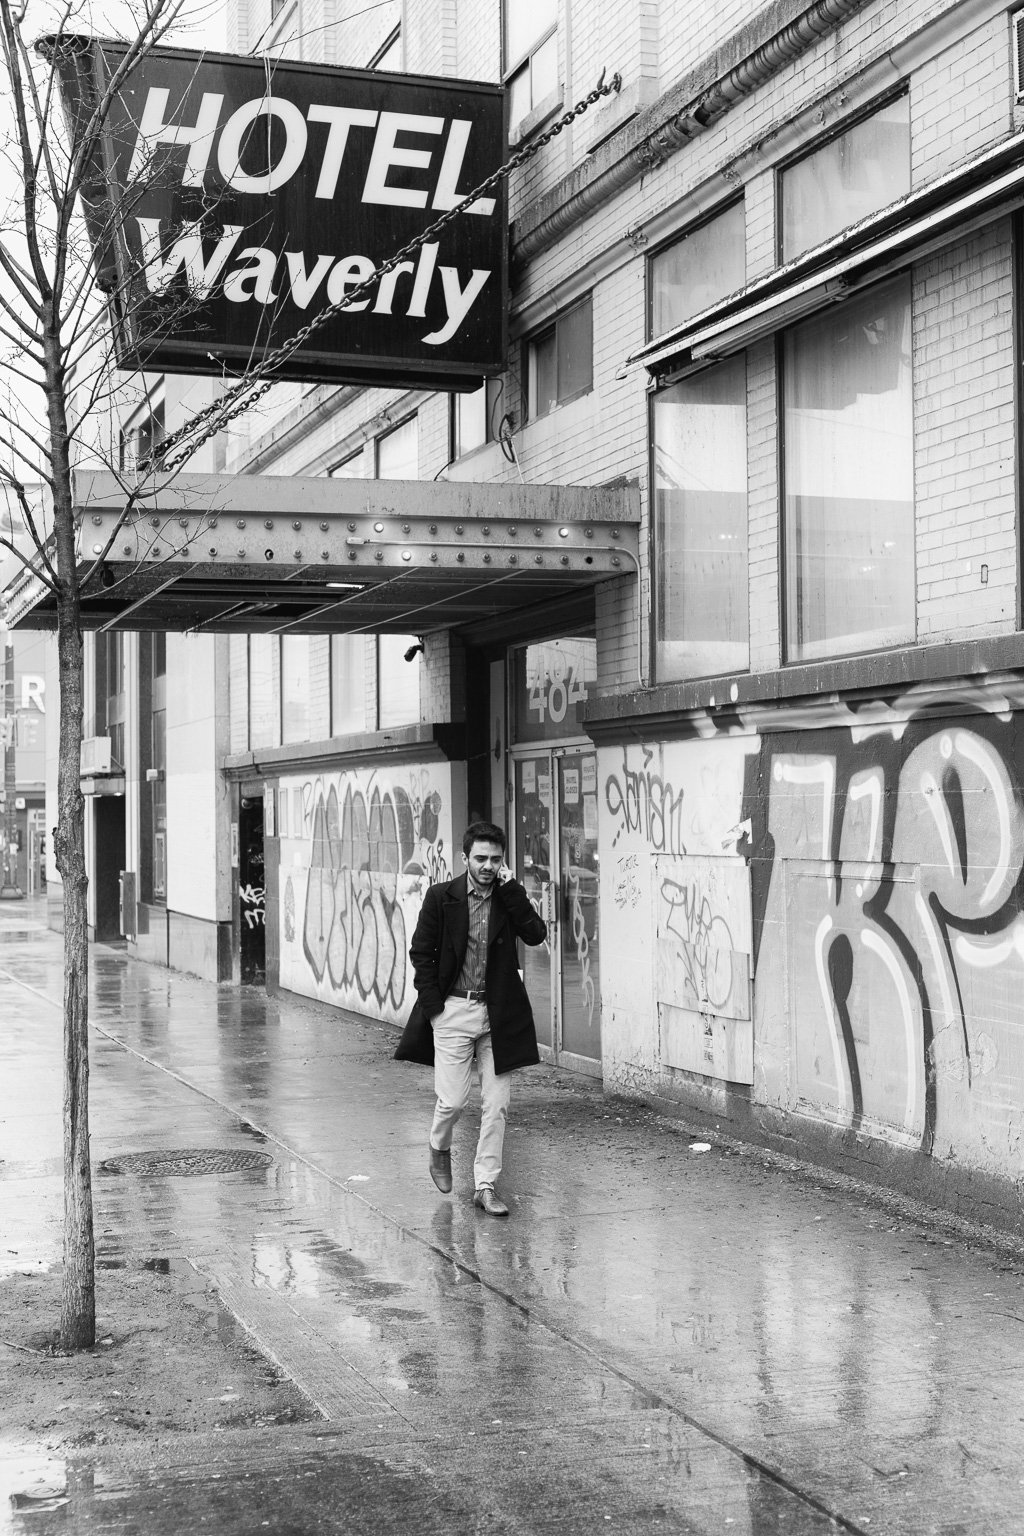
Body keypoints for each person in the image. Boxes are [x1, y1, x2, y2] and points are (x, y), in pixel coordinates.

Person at [395, 820, 547, 1217]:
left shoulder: (507, 897)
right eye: (480, 858)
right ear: (465, 859)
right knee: (454, 1101)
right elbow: (421, 954)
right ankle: (439, 1146)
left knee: (497, 1103)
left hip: (498, 1015)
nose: (488, 866)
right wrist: (435, 1009)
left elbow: (535, 934)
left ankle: (485, 1185)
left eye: (495, 859)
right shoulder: (440, 897)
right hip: (453, 1011)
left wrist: (513, 890)